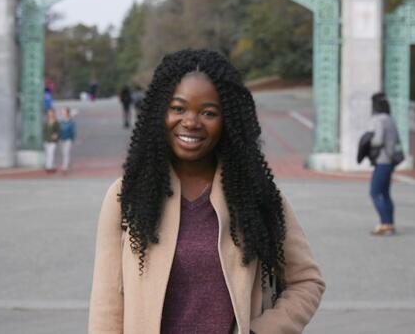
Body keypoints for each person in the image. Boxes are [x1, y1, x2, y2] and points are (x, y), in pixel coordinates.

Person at [89, 49, 325, 334]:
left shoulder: (257, 195)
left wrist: (261, 331)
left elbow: (307, 281)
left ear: (229, 121)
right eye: (178, 108)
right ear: (159, 112)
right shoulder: (126, 197)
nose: (191, 121)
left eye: (208, 112)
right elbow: (107, 306)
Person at [368, 92, 402, 236]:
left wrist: (368, 140)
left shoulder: (379, 120)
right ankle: (390, 223)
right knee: (386, 193)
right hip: (391, 160)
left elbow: (378, 140)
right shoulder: (390, 119)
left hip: (382, 160)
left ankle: (385, 223)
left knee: (374, 192)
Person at [58, 107, 77, 174]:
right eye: (62, 112)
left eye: (64, 112)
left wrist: (72, 139)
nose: (63, 113)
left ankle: (64, 167)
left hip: (68, 139)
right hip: (61, 139)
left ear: (68, 113)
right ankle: (67, 163)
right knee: (63, 153)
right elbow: (58, 130)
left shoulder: (71, 121)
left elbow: (73, 131)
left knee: (66, 153)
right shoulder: (61, 121)